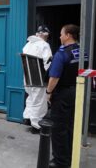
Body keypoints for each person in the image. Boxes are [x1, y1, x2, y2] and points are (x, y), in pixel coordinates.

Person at [47, 24, 88, 168]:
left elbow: (54, 78)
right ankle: (70, 156)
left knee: (58, 128)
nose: (59, 37)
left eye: (61, 34)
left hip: (62, 94)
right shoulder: (82, 52)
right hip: (77, 91)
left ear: (68, 35)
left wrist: (48, 92)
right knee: (71, 126)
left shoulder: (62, 53)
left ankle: (60, 162)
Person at [22, 25, 52, 134]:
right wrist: (49, 78)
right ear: (45, 34)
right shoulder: (44, 45)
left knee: (31, 98)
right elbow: (48, 62)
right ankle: (36, 126)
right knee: (39, 102)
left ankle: (28, 119)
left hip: (27, 77)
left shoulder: (28, 44)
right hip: (39, 78)